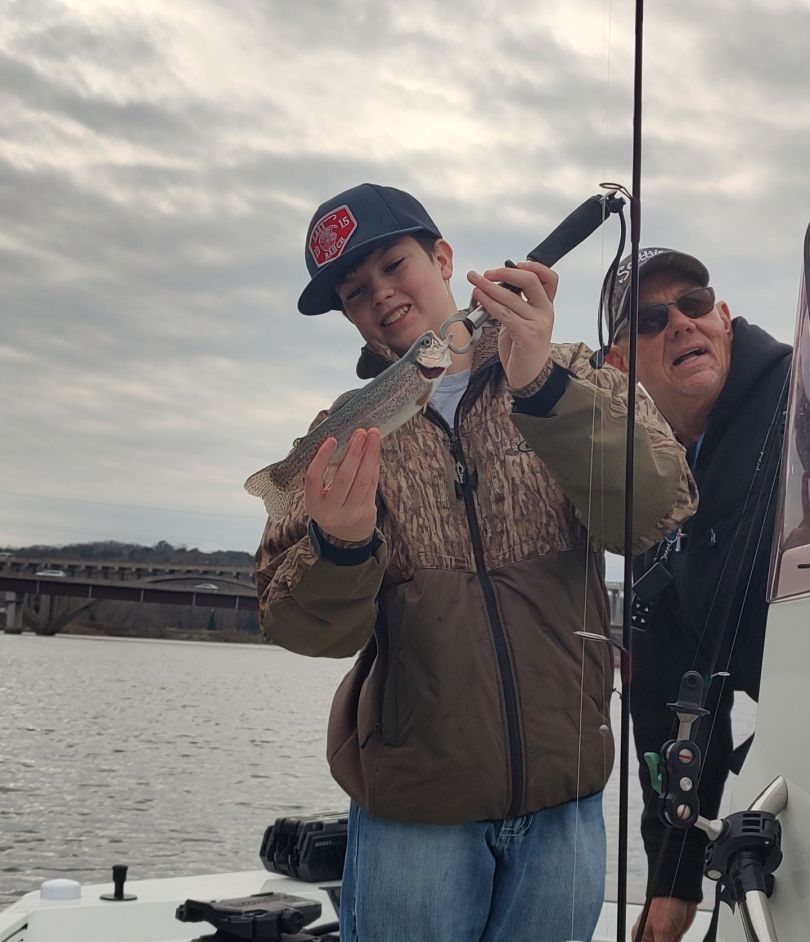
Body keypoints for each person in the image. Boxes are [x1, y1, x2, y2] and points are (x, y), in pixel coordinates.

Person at [254, 184, 696, 942]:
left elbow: (657, 508)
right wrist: (340, 544)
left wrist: (545, 391)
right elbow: (298, 624)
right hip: (413, 819)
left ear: (445, 259)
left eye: (395, 265)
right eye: (355, 293)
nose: (382, 295)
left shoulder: (577, 371)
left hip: (565, 803)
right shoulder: (342, 436)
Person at [605, 248, 792, 942]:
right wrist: (675, 879)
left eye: (693, 303)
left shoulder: (797, 394)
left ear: (724, 316)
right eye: (653, 319)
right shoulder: (658, 495)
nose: (680, 323)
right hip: (790, 775)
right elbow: (674, 707)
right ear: (623, 365)